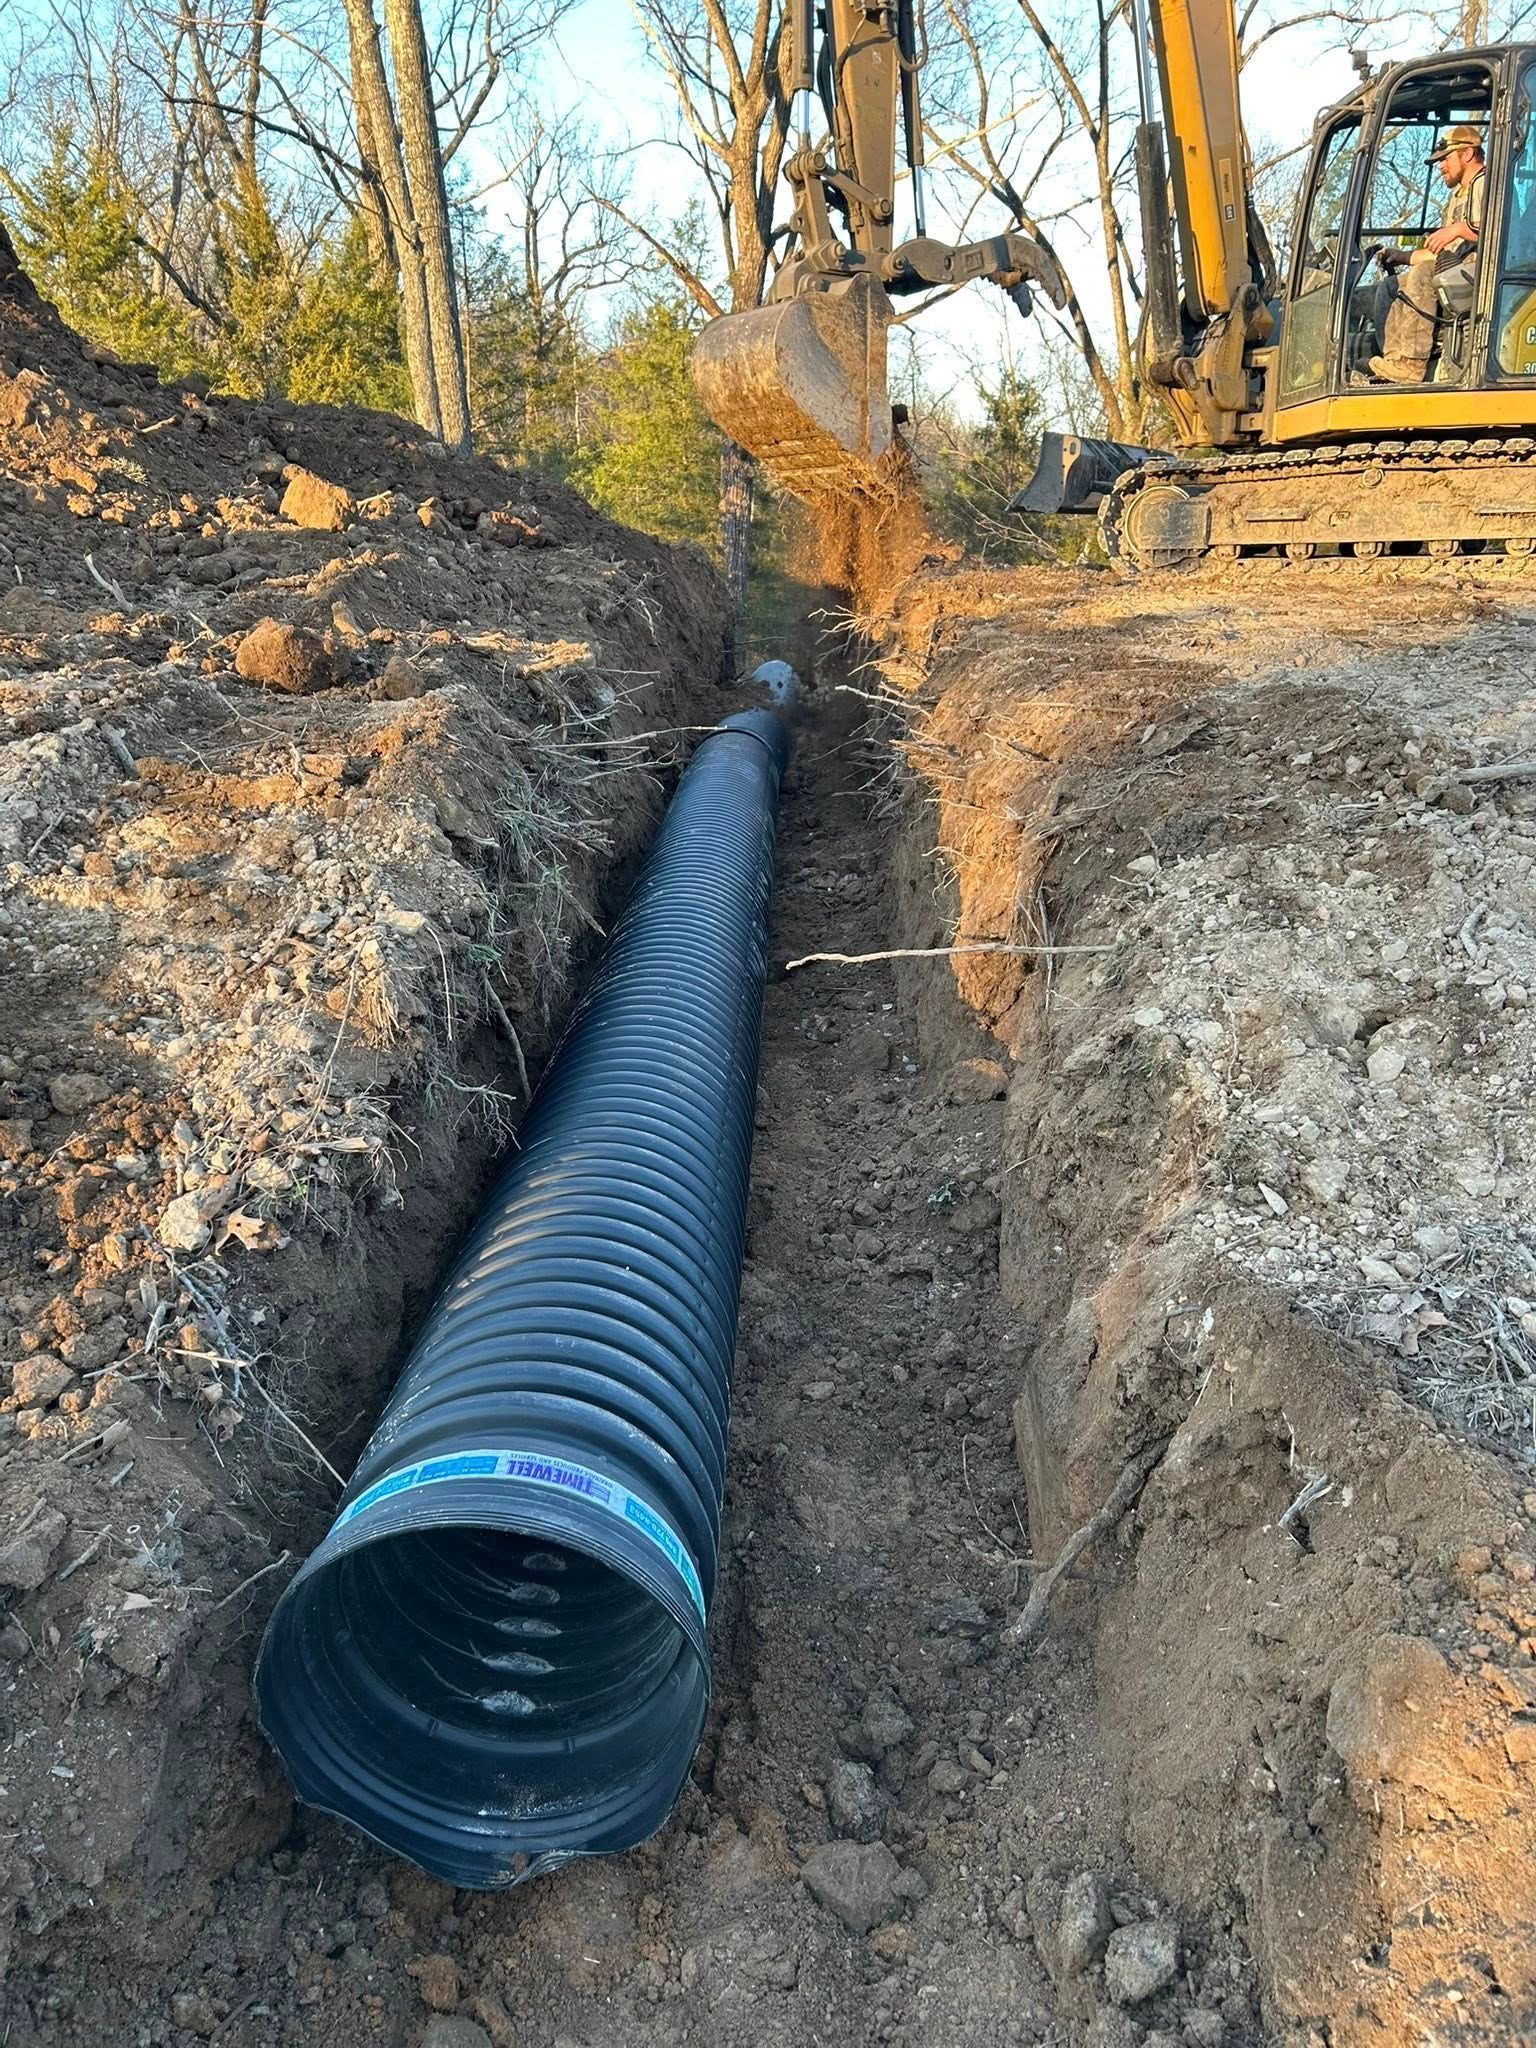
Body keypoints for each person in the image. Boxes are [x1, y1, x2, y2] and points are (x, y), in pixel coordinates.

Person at [1369, 124, 1486, 383]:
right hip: (1452, 269)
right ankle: (1395, 360)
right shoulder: (1457, 197)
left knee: (1423, 274)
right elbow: (1441, 253)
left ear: (1467, 154)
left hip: (1481, 274)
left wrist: (1456, 230)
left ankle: (1413, 363)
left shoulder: (1485, 183)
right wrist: (1402, 256)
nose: (1441, 166)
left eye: (1445, 159)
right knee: (1390, 286)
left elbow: (1499, 231)